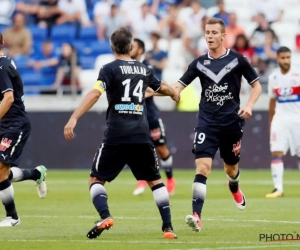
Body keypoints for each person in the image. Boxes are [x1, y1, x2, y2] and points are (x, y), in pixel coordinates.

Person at [64, 27, 179, 239]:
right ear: (131, 46)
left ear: (111, 47)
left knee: (95, 180)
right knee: (155, 181)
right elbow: (160, 86)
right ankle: (168, 227)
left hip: (117, 134)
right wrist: (173, 92)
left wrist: (74, 117)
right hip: (141, 135)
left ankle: (105, 216)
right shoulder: (143, 69)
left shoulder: (108, 69)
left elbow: (95, 93)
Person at [150, 18, 262, 232]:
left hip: (231, 123)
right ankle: (196, 215)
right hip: (207, 123)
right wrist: (154, 91)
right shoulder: (199, 63)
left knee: (231, 168)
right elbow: (178, 86)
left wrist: (248, 105)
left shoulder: (238, 60)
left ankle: (234, 187)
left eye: (213, 32)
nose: (209, 36)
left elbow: (256, 86)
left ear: (223, 36)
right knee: (203, 167)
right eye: (207, 32)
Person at [0, 32, 47, 227]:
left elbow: (9, 98)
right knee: (3, 173)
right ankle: (36, 174)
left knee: (1, 169)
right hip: (6, 122)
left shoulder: (1, 66)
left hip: (14, 124)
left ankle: (13, 217)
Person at [130, 38, 176, 196]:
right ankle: (142, 179)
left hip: (150, 115)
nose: (130, 49)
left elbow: (155, 88)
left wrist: (138, 94)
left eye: (133, 47)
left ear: (140, 50)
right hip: (135, 116)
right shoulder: (127, 68)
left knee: (161, 148)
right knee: (138, 149)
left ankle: (170, 179)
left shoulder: (147, 67)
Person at [266, 46, 300, 198]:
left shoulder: (298, 75)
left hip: (297, 118)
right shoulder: (273, 78)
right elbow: (272, 102)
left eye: (288, 57)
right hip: (280, 119)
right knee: (277, 152)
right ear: (277, 58)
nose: (286, 60)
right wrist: (271, 123)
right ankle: (278, 188)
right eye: (283, 58)